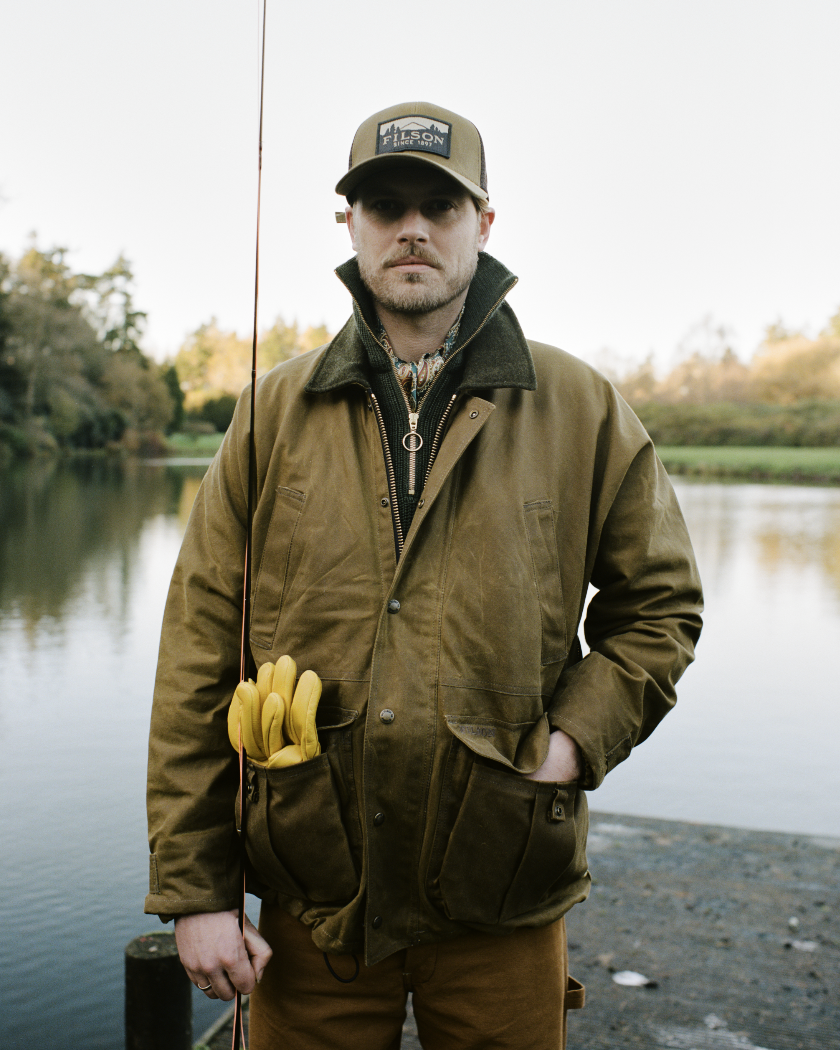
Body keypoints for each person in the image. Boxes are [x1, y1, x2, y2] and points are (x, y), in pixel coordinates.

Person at [146, 101, 703, 1050]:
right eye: (385, 205)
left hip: (505, 888)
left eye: (439, 207)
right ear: (350, 225)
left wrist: (572, 744)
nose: (412, 228)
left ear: (482, 223)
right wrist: (197, 889)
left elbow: (660, 610)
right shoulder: (269, 413)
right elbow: (199, 653)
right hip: (310, 902)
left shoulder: (583, 408)